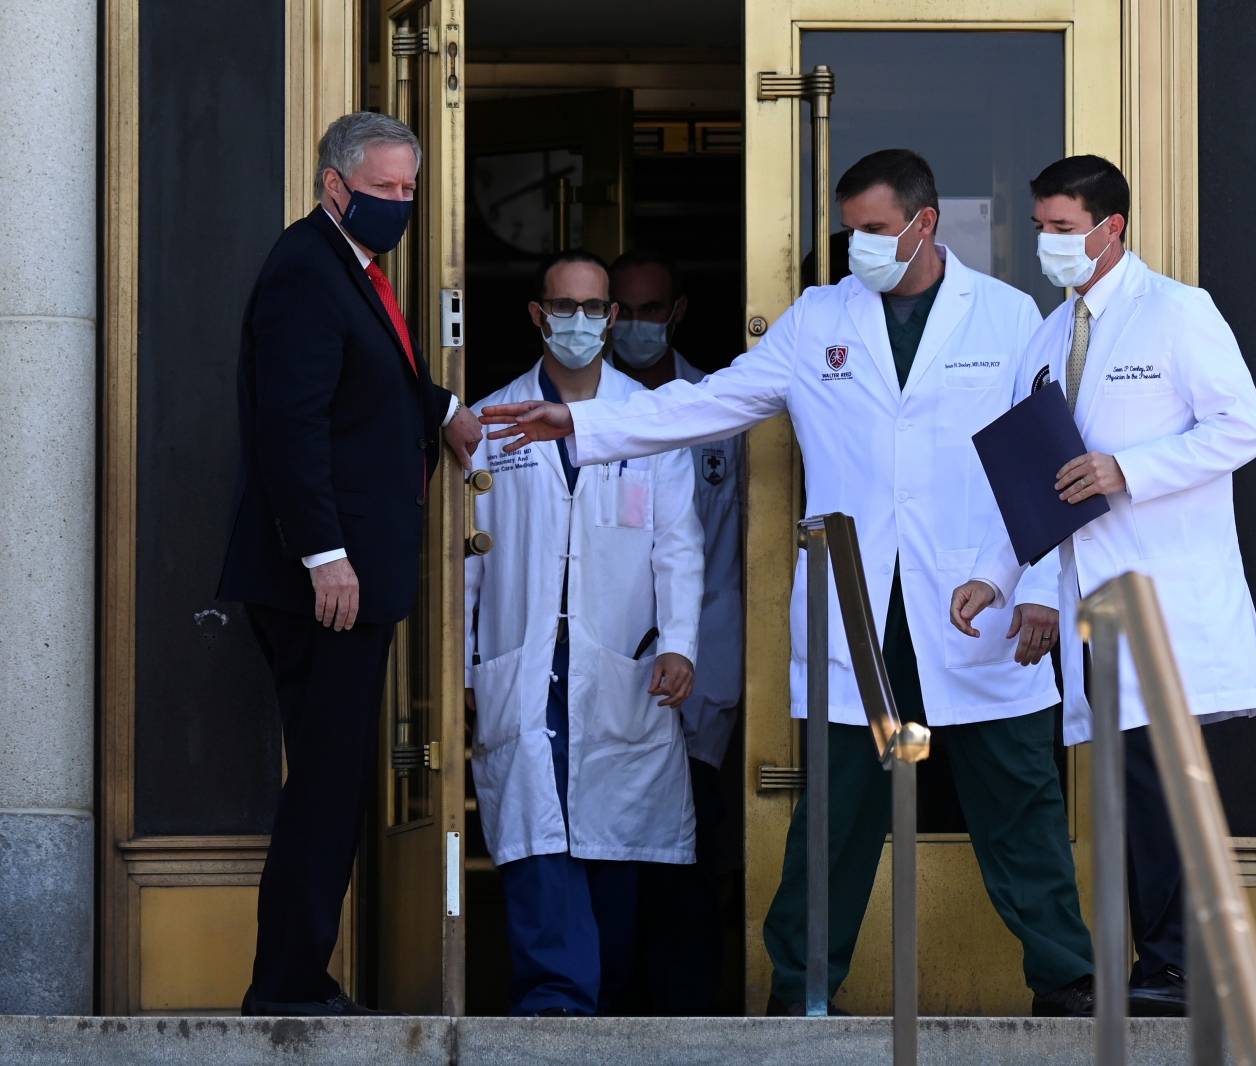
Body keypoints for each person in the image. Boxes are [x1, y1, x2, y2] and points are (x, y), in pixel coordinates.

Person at [481, 149, 1099, 1017]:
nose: (861, 249)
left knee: (1018, 793)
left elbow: (1044, 459)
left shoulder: (1005, 316)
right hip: (854, 599)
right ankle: (804, 991)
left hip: (975, 601)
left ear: (925, 224)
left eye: (877, 232)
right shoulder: (817, 322)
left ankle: (1066, 978)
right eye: (850, 233)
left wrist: (1034, 584)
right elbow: (705, 404)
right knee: (838, 811)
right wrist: (581, 420)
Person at [950, 154, 1256, 1017]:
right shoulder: (1048, 335)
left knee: (1157, 775)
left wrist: (1126, 469)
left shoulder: (1178, 312)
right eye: (1042, 229)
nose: (1049, 244)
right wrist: (997, 576)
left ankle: (1173, 966)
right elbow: (1031, 472)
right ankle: (1159, 962)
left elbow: (1242, 429)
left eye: (1063, 229)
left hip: (1163, 589)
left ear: (1111, 229)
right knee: (1127, 780)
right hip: (1088, 598)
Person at [218, 111, 483, 1016]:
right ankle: (289, 988)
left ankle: (293, 979)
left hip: (346, 581)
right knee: (327, 786)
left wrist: (441, 406)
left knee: (334, 780)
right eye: (384, 191)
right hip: (321, 585)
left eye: (410, 189)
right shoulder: (305, 269)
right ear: (336, 187)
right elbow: (292, 424)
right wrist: (325, 556)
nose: (400, 205)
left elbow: (373, 376)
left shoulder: (346, 268)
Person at [464, 249, 704, 1017]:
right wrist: (463, 666)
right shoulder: (493, 422)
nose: (581, 322)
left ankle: (605, 1007)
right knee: (539, 840)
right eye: (563, 307)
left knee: (612, 843)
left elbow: (679, 542)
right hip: (527, 660)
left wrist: (680, 642)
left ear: (610, 316)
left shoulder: (648, 418)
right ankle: (555, 1008)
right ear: (538, 315)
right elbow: (469, 558)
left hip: (618, 662)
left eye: (595, 308)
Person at [608, 250, 745, 1014]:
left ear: (679, 312)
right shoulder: (599, 410)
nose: (632, 327)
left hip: (708, 670)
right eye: (619, 312)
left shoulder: (719, 405)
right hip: (615, 665)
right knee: (621, 849)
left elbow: (736, 548)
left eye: (648, 310)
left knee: (696, 855)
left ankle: (690, 1012)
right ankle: (618, 1014)